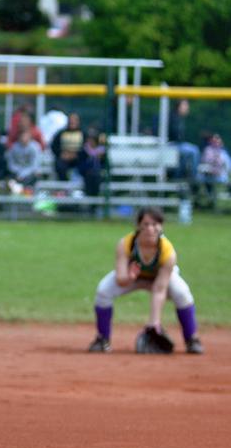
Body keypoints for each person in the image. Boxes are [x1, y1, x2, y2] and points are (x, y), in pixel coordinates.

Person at [88, 206, 204, 354]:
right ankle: (102, 340)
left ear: (161, 226)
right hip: (134, 277)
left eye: (155, 224)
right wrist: (130, 277)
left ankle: (192, 340)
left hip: (158, 279)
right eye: (146, 224)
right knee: (103, 291)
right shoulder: (126, 244)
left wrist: (154, 323)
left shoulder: (168, 252)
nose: (150, 229)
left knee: (182, 294)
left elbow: (159, 290)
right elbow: (120, 280)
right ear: (138, 226)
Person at [167, 99, 200, 185]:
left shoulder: (178, 117)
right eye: (185, 105)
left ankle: (178, 177)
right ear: (179, 107)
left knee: (186, 154)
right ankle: (193, 177)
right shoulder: (172, 117)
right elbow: (175, 136)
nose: (187, 108)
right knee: (194, 150)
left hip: (176, 145)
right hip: (170, 145)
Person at [197, 133, 230, 208]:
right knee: (201, 181)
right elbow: (204, 162)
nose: (216, 143)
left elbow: (227, 166)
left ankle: (211, 199)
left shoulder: (223, 153)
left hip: (220, 176)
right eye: (214, 141)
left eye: (217, 141)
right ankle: (208, 199)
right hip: (207, 176)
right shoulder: (207, 150)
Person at [51, 112, 85, 183]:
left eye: (74, 120)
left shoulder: (83, 134)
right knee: (59, 166)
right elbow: (54, 146)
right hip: (64, 159)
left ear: (78, 121)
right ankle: (64, 186)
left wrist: (76, 154)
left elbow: (87, 148)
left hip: (78, 159)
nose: (72, 122)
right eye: (71, 120)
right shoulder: (61, 133)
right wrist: (61, 154)